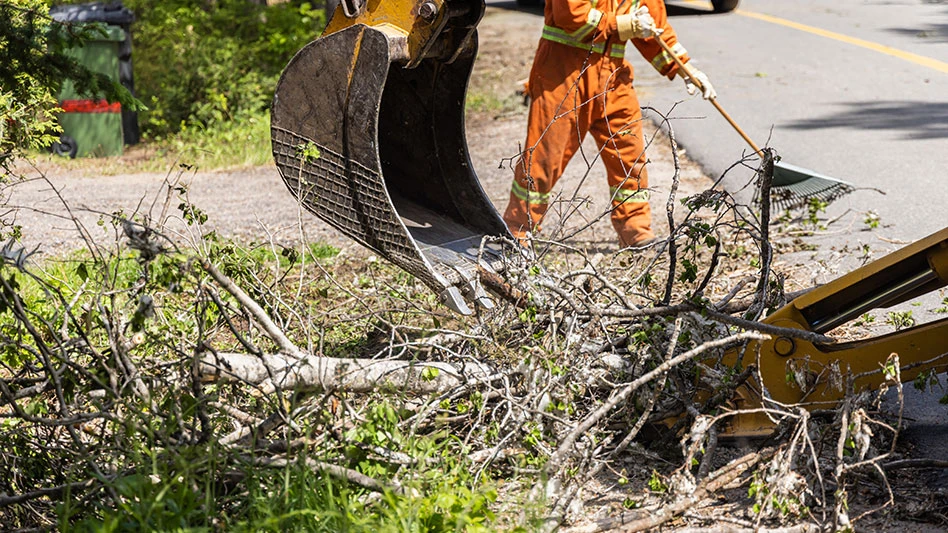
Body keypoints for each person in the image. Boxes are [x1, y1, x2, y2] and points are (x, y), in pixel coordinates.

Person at [503, 0, 716, 248]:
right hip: (563, 75)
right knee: (545, 157)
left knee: (629, 154)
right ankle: (517, 231)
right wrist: (623, 24)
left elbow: (655, 28)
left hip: (612, 78)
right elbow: (571, 16)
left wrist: (685, 68)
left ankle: (635, 231)